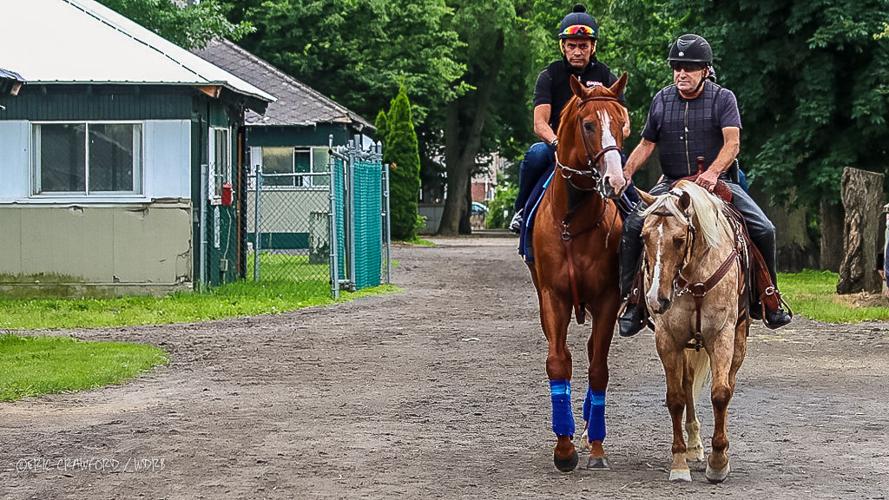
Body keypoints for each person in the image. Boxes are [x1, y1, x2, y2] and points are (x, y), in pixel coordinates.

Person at [617, 34, 792, 337]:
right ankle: (632, 301)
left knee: (764, 229)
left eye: (689, 68)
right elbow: (647, 143)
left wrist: (712, 173)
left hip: (715, 183)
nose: (681, 73)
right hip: (672, 184)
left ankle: (767, 298)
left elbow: (732, 143)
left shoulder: (723, 98)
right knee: (633, 226)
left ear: (705, 70)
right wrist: (626, 172)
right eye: (677, 67)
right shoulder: (661, 99)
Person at [508, 3, 629, 234]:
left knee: (619, 161)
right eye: (572, 45)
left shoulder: (606, 76)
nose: (577, 51)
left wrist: (609, 144)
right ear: (563, 46)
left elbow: (624, 123)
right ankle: (522, 209)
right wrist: (556, 143)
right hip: (558, 145)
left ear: (592, 47)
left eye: (583, 46)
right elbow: (539, 123)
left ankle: (632, 211)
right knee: (535, 155)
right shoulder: (550, 76)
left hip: (597, 146)